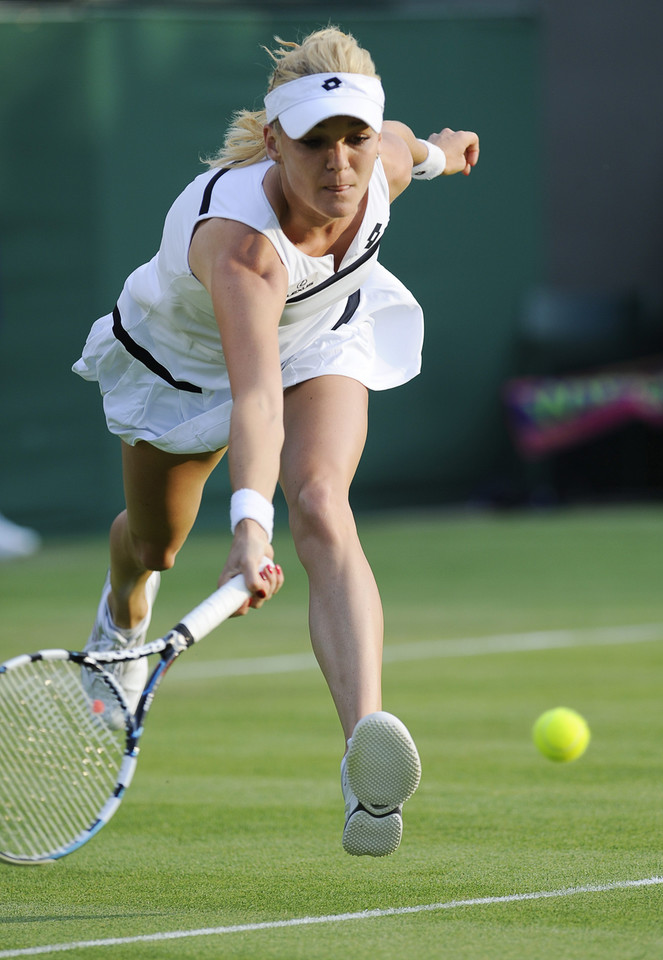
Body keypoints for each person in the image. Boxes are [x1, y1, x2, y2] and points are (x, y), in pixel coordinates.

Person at [72, 26, 479, 858]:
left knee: (324, 501)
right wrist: (249, 526)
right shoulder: (241, 246)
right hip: (186, 365)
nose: (340, 163)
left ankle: (365, 756)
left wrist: (442, 152)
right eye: (315, 143)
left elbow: (414, 151)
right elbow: (256, 398)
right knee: (154, 543)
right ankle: (119, 619)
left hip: (320, 334)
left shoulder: (381, 163)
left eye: (355, 138)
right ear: (273, 143)